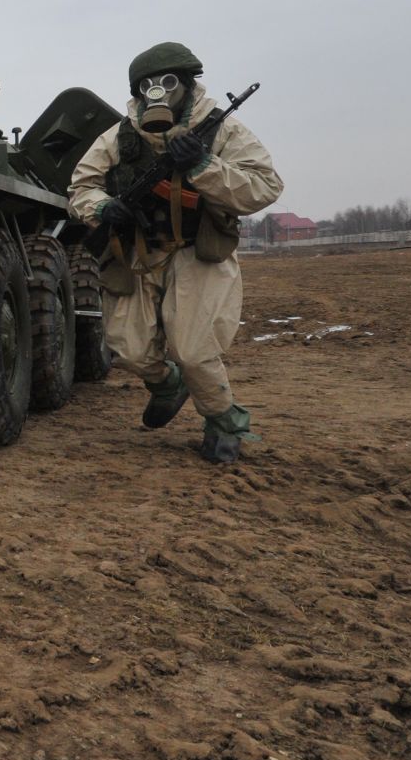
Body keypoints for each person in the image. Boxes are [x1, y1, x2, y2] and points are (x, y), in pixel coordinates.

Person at [68, 42, 283, 463]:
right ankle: (168, 386)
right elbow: (81, 187)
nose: (157, 92)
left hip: (197, 251)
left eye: (167, 83)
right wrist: (103, 207)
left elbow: (265, 186)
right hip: (139, 251)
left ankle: (224, 422)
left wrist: (205, 166)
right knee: (127, 348)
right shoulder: (118, 137)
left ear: (186, 85)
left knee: (194, 349)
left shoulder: (221, 131)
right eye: (147, 85)